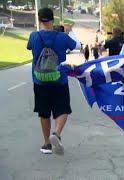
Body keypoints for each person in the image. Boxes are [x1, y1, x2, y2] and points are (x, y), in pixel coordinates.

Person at [27, 7, 80, 155]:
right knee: (62, 109)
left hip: (39, 81)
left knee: (44, 112)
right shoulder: (62, 36)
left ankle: (47, 144)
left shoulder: (34, 36)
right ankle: (56, 134)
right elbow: (77, 46)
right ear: (53, 19)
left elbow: (29, 47)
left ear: (39, 20)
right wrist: (69, 31)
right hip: (59, 79)